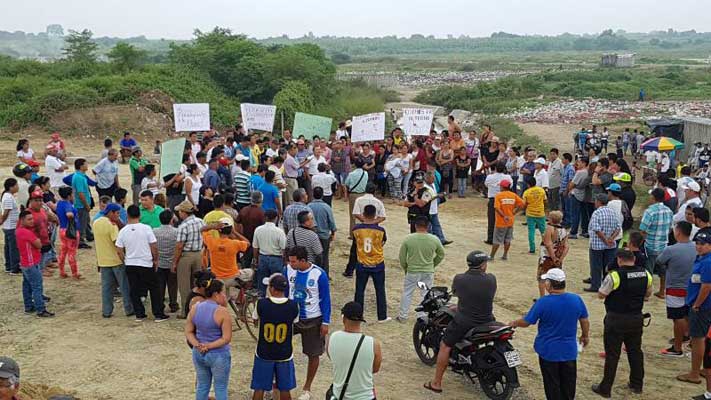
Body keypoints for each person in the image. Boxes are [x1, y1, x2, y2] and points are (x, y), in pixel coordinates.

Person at [509, 268, 590, 400]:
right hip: (569, 351)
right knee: (568, 385)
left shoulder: (543, 302)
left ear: (549, 284)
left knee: (552, 385)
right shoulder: (576, 299)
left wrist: (513, 323)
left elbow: (527, 322)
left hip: (548, 351)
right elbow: (584, 320)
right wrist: (585, 336)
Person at [425, 250, 496, 393]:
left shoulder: (460, 279)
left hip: (465, 321)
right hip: (488, 319)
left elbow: (456, 293)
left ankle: (436, 383)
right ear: (482, 265)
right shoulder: (491, 279)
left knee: (445, 345)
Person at [592, 250, 652, 397]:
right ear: (633, 260)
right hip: (636, 318)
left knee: (612, 354)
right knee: (635, 351)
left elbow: (601, 294)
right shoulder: (646, 273)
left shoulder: (615, 275)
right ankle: (637, 384)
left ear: (619, 260)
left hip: (616, 318)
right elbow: (648, 294)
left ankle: (605, 388)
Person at [285, 246, 331, 400]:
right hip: (291, 317)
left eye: (293, 262)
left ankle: (307, 388)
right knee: (280, 347)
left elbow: (325, 299)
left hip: (313, 319)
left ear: (303, 260)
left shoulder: (319, 274)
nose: (290, 264)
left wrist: (325, 322)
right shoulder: (288, 270)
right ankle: (279, 382)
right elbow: (285, 292)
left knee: (313, 353)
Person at [116, 205, 168, 323]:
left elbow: (119, 249)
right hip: (145, 263)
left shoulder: (123, 231)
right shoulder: (146, 228)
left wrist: (124, 260)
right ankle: (158, 314)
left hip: (131, 263)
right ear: (139, 215)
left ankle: (139, 314)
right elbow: (153, 246)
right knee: (154, 288)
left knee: (134, 289)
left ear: (127, 216)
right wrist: (155, 259)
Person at [250, 274, 300, 400]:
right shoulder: (293, 305)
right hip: (284, 353)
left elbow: (255, 320)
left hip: (264, 351)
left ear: (271, 289)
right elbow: (295, 322)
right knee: (284, 388)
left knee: (259, 387)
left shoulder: (261, 304)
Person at [185, 279, 233, 400]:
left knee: (202, 386)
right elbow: (226, 338)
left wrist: (198, 345)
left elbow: (189, 331)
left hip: (199, 353)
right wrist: (209, 346)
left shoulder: (195, 307)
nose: (225, 296)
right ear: (216, 294)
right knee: (220, 387)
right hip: (218, 355)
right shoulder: (222, 312)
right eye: (223, 293)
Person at [327, 301, 382, 400]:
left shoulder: (333, 338)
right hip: (365, 396)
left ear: (344, 318)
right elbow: (374, 369)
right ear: (361, 320)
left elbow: (331, 357)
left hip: (339, 395)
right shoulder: (373, 344)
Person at [656, 221, 696, 357]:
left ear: (678, 232)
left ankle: (677, 347)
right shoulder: (696, 247)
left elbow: (660, 261)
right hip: (692, 287)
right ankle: (689, 341)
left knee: (677, 317)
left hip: (675, 287)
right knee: (687, 316)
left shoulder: (671, 249)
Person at [677, 231, 711, 389]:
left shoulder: (708, 262)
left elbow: (706, 286)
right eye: (697, 243)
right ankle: (702, 369)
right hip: (699, 305)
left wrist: (697, 305)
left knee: (698, 339)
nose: (698, 246)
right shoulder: (702, 258)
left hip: (702, 307)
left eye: (702, 244)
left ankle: (695, 373)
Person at [397, 216, 445, 322]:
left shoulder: (409, 238)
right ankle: (423, 316)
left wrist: (406, 267)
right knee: (425, 293)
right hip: (427, 270)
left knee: (407, 292)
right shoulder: (434, 239)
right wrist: (433, 264)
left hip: (412, 270)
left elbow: (402, 257)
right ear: (428, 226)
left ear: (415, 226)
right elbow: (441, 254)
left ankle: (403, 316)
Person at [93, 203, 133, 318]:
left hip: (103, 260)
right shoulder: (112, 226)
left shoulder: (96, 222)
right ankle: (128, 309)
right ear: (111, 213)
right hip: (116, 260)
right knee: (124, 286)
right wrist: (124, 257)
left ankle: (107, 311)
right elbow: (117, 244)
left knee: (106, 288)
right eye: (117, 213)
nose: (118, 216)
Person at [352, 205, 389, 322]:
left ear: (363, 214)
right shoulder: (380, 231)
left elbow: (356, 243)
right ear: (375, 215)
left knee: (359, 290)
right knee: (380, 290)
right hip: (377, 263)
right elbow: (383, 242)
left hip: (362, 263)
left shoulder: (356, 229)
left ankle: (357, 315)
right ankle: (382, 316)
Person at [16, 210, 54, 317]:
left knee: (27, 286)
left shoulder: (18, 231)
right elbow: (39, 245)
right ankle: (40, 309)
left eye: (32, 218)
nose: (32, 221)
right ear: (22, 220)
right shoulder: (26, 232)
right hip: (31, 263)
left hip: (25, 263)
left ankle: (29, 306)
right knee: (37, 286)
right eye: (29, 219)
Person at [202, 217, 251, 297]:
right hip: (232, 277)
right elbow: (247, 243)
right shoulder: (234, 243)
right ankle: (240, 297)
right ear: (230, 230)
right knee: (250, 272)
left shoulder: (212, 242)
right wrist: (235, 232)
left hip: (217, 278)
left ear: (219, 230)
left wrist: (213, 226)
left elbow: (203, 230)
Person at [174, 200, 206, 319]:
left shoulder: (183, 226)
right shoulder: (201, 221)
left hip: (186, 256)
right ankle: (199, 308)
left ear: (184, 212)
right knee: (197, 284)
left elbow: (179, 246)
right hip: (198, 254)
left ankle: (185, 311)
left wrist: (174, 262)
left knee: (184, 286)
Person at [585, 194, 621, 292]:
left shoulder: (597, 213)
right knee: (607, 266)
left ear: (599, 202)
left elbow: (597, 229)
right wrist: (611, 239)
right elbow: (618, 227)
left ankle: (596, 285)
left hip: (597, 244)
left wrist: (605, 240)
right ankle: (607, 285)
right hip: (610, 245)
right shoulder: (612, 212)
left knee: (596, 266)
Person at [639, 188, 674, 277]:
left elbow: (642, 230)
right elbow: (670, 229)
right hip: (663, 246)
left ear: (653, 197)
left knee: (648, 270)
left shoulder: (649, 212)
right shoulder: (669, 211)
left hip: (650, 245)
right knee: (662, 271)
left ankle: (648, 289)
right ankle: (662, 290)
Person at [253, 209, 287, 296]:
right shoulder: (279, 231)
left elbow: (255, 247)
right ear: (276, 218)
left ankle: (262, 300)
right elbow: (283, 249)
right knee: (277, 283)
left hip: (262, 258)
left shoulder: (258, 229)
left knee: (262, 283)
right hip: (276, 259)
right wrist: (284, 261)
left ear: (265, 218)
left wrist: (256, 259)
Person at [490, 179, 524, 260]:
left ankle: (491, 256)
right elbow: (522, 204)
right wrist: (515, 212)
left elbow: (497, 208)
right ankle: (505, 255)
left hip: (501, 222)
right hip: (510, 221)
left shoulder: (498, 196)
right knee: (508, 239)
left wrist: (503, 216)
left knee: (497, 240)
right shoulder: (513, 195)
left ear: (502, 187)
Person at [538, 211, 570, 298]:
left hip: (547, 257)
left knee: (542, 277)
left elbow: (548, 244)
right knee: (555, 277)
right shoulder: (564, 230)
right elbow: (566, 246)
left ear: (551, 219)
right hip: (559, 256)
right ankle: (555, 296)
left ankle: (542, 297)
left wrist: (553, 257)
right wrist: (561, 258)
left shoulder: (550, 228)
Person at [154, 209, 179, 314]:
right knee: (173, 286)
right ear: (171, 219)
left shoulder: (154, 231)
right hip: (172, 262)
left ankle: (160, 304)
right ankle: (173, 304)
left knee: (160, 286)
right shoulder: (176, 232)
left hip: (159, 263)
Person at [308, 187, 336, 276]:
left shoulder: (308, 206)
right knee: (324, 257)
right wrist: (333, 232)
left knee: (312, 256)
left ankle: (312, 274)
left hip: (312, 235)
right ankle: (324, 275)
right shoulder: (326, 207)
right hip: (324, 236)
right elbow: (331, 222)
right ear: (322, 195)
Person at [237, 192, 266, 269]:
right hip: (258, 241)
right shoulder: (261, 212)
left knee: (246, 263)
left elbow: (237, 223)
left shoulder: (244, 210)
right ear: (261, 200)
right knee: (257, 264)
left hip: (245, 239)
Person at [484, 163, 512, 244]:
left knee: (491, 219)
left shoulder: (490, 177)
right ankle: (503, 238)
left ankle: (490, 238)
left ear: (495, 168)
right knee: (504, 219)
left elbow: (486, 184)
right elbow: (510, 185)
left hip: (493, 198)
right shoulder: (507, 177)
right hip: (504, 199)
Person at [522, 175, 547, 255]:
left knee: (531, 232)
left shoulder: (526, 192)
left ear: (528, 184)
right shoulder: (541, 190)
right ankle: (546, 246)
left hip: (530, 214)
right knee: (543, 231)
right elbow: (545, 201)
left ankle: (532, 249)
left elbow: (524, 204)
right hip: (540, 213)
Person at [71, 158, 92, 249]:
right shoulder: (79, 177)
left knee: (86, 221)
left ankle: (88, 235)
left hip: (82, 204)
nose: (87, 165)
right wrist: (86, 205)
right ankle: (80, 241)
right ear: (81, 166)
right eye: (85, 164)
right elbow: (80, 193)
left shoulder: (80, 176)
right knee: (82, 223)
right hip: (81, 205)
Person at [1, 178, 21, 275]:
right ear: (11, 187)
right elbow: (6, 213)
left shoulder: (8, 196)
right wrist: (1, 221)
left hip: (9, 225)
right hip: (11, 226)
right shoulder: (8, 197)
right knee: (13, 248)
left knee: (9, 247)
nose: (17, 187)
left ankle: (9, 266)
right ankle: (14, 268)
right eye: (16, 185)